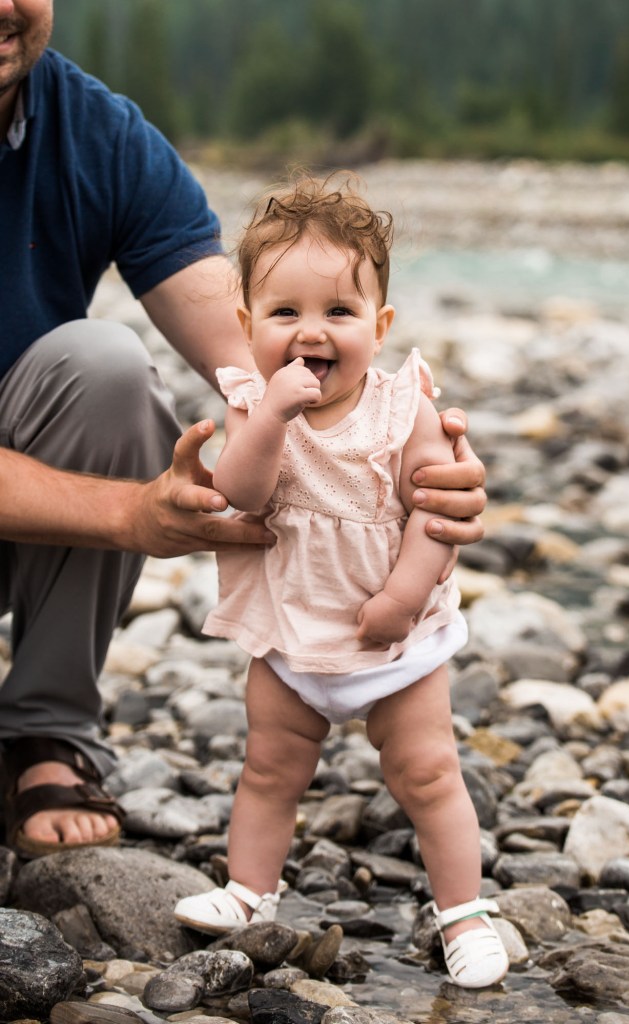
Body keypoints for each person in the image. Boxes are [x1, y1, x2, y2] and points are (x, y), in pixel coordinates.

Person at [0, 2, 487, 860]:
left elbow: (266, 365)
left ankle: (45, 733)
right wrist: (128, 515)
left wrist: (410, 460)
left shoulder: (97, 134)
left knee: (106, 370)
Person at [174, 175, 508, 990]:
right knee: (268, 768)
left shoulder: (404, 412)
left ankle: (462, 912)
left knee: (428, 774)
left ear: (380, 326)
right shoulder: (256, 407)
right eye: (284, 314)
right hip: (291, 634)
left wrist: (401, 598)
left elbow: (435, 511)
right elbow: (242, 496)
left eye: (338, 313)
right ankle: (250, 891)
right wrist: (273, 418)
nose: (309, 333)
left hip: (395, 640)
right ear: (249, 326)